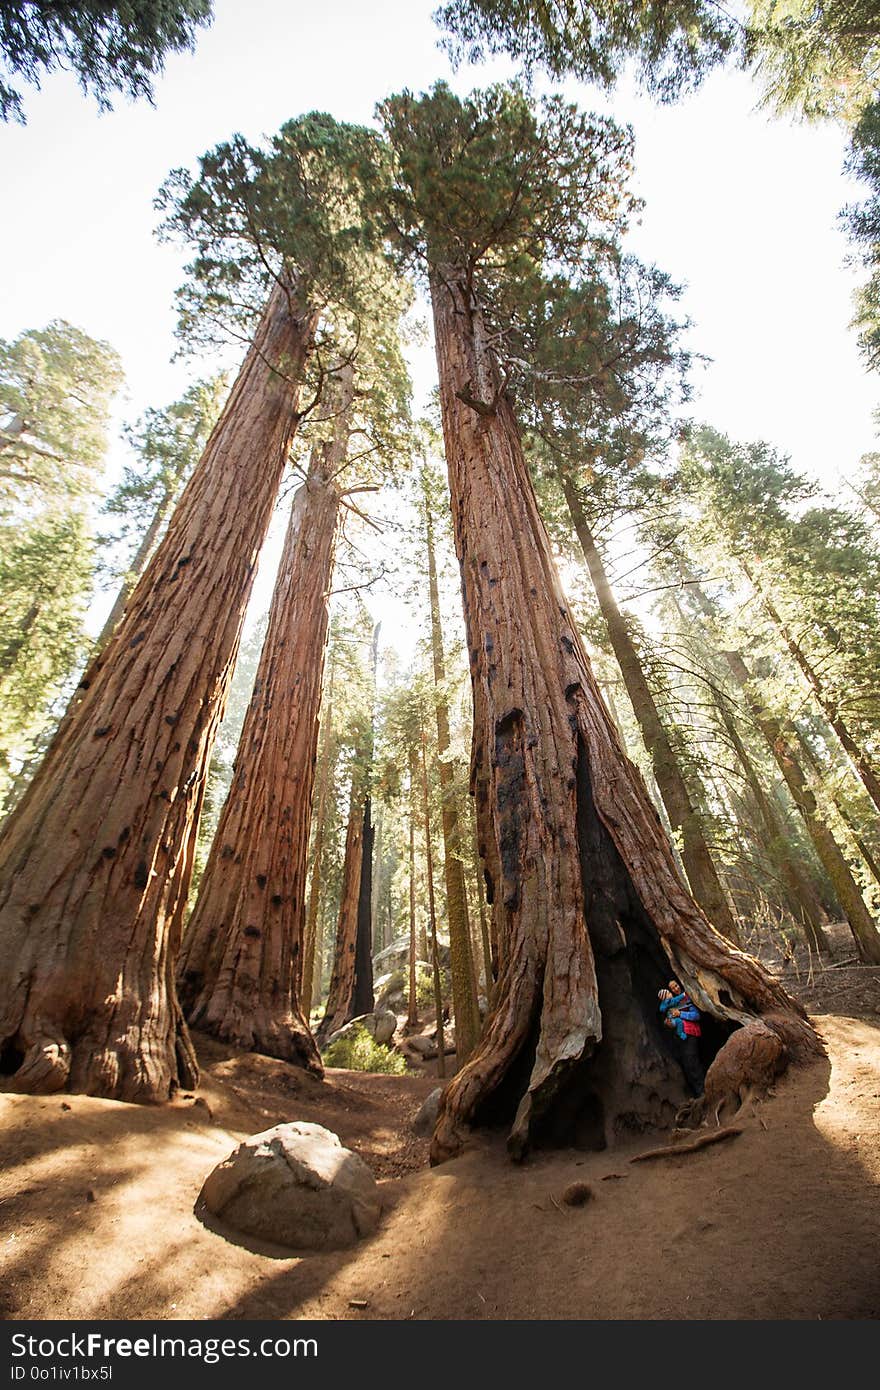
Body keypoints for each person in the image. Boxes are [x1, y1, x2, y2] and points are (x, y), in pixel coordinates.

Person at [658, 978, 705, 1096]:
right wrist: (668, 1023)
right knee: (686, 1063)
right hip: (679, 1036)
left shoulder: (688, 998)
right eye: (672, 988)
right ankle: (697, 1092)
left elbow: (696, 1016)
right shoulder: (671, 1004)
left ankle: (703, 1090)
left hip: (690, 1032)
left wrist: (681, 1014)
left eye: (676, 985)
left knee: (692, 1060)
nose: (675, 988)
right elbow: (666, 1017)